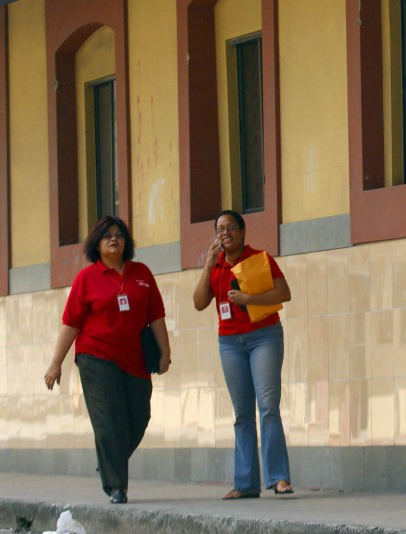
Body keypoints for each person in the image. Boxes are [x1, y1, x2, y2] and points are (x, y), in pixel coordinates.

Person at [44, 216, 171, 504]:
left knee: (139, 417)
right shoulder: (86, 279)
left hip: (136, 357)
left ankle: (109, 457)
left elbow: (156, 316)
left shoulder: (142, 273)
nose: (113, 239)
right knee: (109, 421)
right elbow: (71, 323)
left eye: (119, 235)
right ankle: (117, 487)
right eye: (106, 236)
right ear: (96, 245)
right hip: (96, 356)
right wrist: (56, 363)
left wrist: (165, 352)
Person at [193, 209, 294, 499]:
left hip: (264, 337)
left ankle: (279, 478)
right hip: (229, 343)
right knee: (242, 414)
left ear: (243, 232)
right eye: (220, 229)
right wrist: (208, 264)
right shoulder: (216, 265)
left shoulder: (259, 259)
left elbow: (284, 293)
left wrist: (249, 299)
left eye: (231, 228)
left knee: (268, 406)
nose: (225, 233)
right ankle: (246, 483)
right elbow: (199, 302)